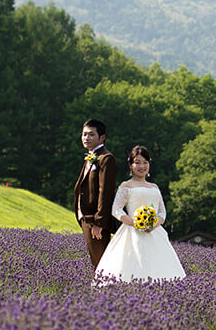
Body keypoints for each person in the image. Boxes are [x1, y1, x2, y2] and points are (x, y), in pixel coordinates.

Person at [94, 146, 186, 283]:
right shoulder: (126, 186)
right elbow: (116, 209)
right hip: (132, 232)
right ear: (131, 165)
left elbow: (162, 212)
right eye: (137, 162)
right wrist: (135, 223)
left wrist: (153, 225)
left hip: (154, 232)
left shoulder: (154, 187)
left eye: (145, 162)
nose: (141, 166)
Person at [74, 118, 118, 270]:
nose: (86, 138)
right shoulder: (91, 157)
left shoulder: (106, 159)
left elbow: (105, 192)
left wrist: (99, 222)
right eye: (84, 134)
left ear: (102, 137)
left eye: (91, 135)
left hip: (96, 222)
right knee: (96, 263)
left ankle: (107, 293)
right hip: (86, 219)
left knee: (101, 265)